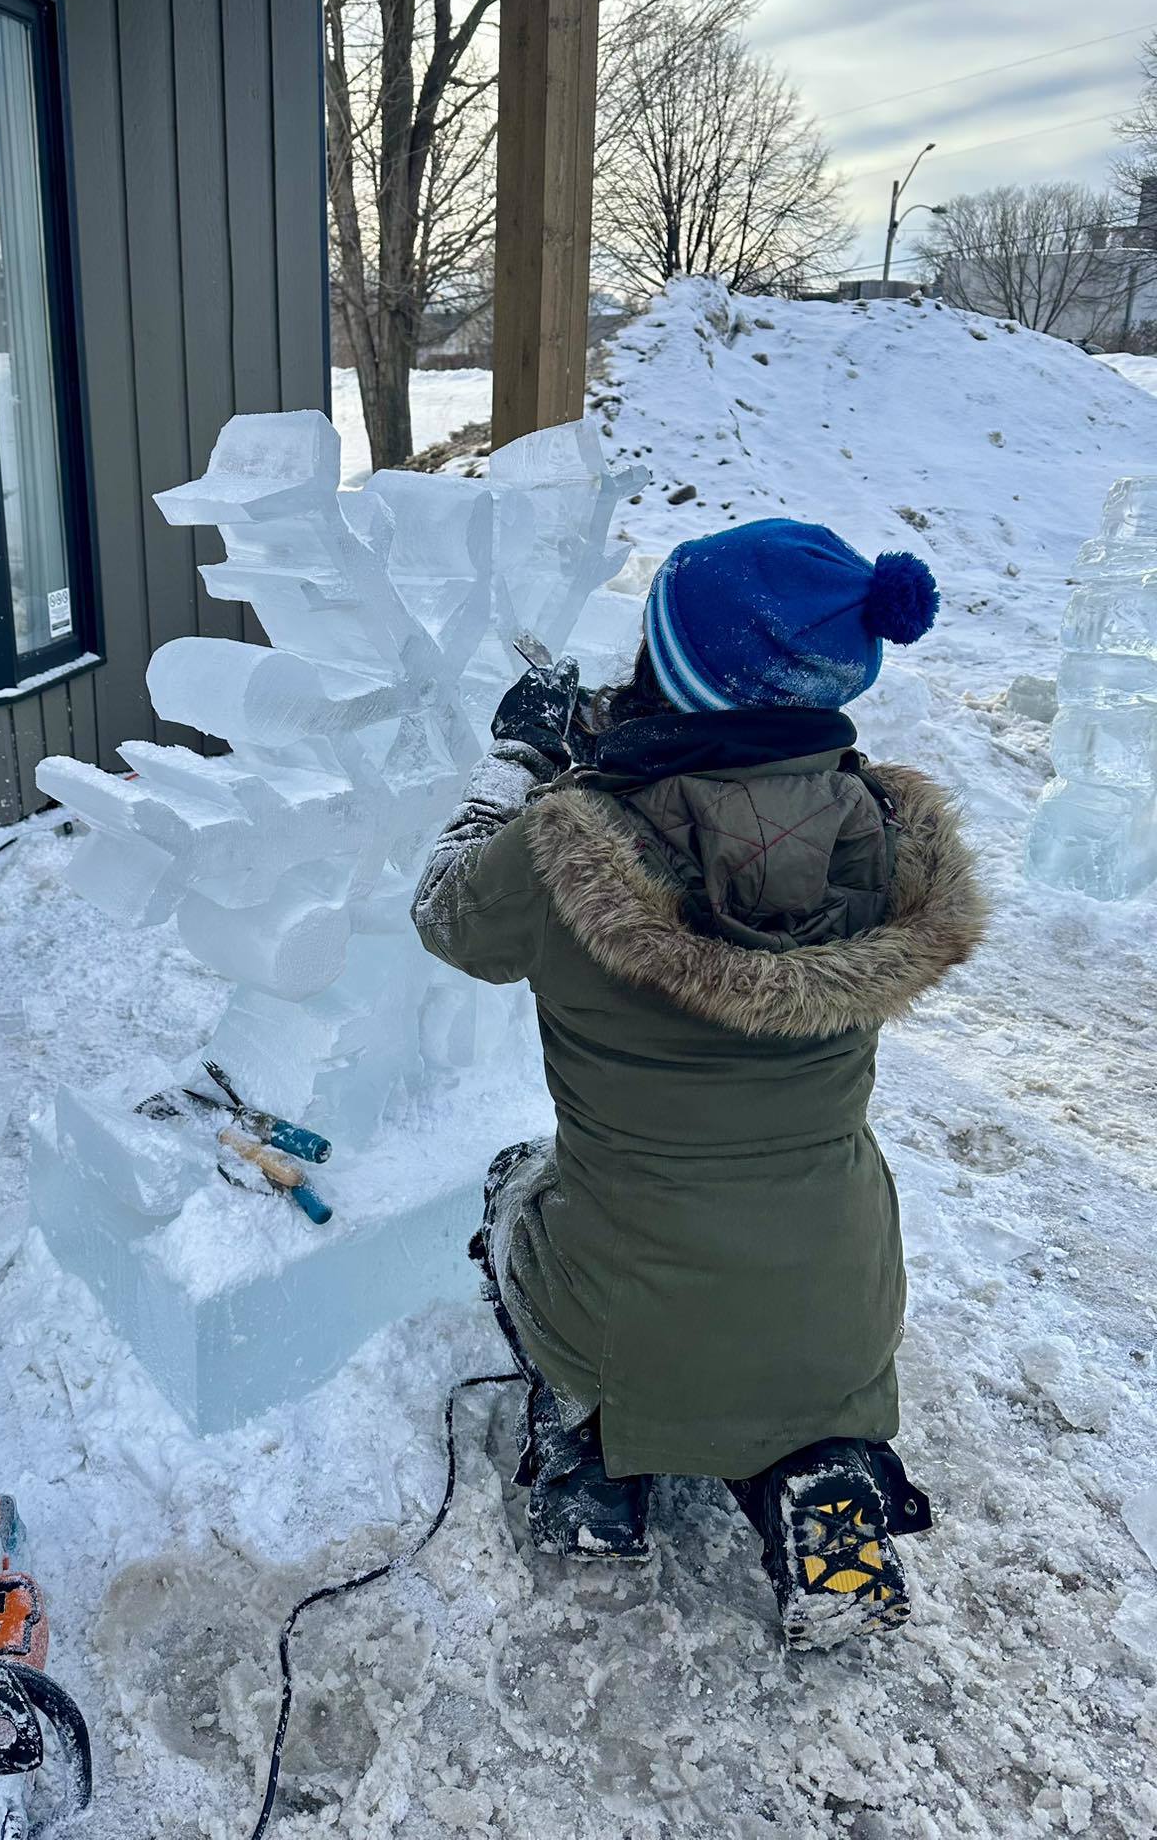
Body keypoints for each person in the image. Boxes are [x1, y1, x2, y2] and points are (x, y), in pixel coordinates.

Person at [411, 518, 987, 1650]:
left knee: (513, 1188)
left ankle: (592, 1454)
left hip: (633, 1309)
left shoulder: (558, 852)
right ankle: (826, 1478)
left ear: (671, 676)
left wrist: (521, 766)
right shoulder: (883, 834)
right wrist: (621, 757)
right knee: (790, 1329)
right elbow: (744, 804)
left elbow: (443, 907)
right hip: (841, 1312)